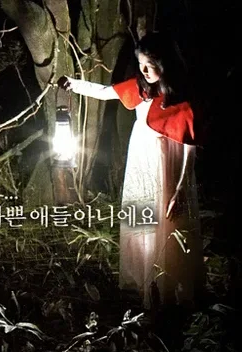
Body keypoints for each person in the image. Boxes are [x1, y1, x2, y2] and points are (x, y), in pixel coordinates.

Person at [58, 31, 205, 311]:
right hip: (141, 160)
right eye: (141, 65)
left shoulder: (180, 98)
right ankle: (146, 285)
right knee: (143, 216)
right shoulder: (141, 88)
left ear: (166, 64)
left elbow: (189, 143)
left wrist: (181, 187)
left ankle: (170, 290)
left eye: (151, 65)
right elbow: (106, 92)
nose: (145, 71)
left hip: (167, 164)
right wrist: (74, 85)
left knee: (167, 220)